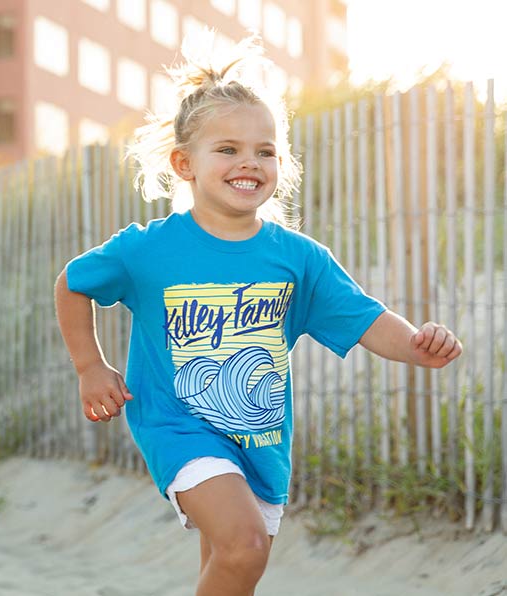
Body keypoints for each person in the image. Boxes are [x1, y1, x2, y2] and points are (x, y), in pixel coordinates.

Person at [53, 36, 463, 596]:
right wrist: (89, 366)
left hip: (261, 435)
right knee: (244, 545)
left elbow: (365, 317)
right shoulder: (148, 249)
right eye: (227, 149)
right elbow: (72, 283)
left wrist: (418, 343)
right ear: (184, 164)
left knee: (234, 563)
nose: (249, 161)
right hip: (178, 425)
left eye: (265, 151)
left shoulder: (298, 257)